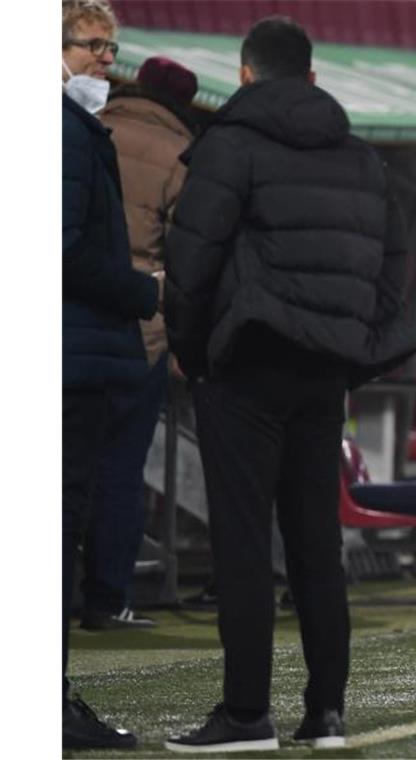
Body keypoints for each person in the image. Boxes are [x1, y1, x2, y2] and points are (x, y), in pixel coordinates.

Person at [163, 16, 416, 752]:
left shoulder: (228, 146)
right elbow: (389, 273)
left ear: (245, 75)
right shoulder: (364, 160)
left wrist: (194, 351)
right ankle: (327, 713)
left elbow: (192, 263)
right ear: (311, 78)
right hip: (325, 374)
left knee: (244, 544)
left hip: (245, 366)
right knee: (316, 542)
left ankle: (245, 716)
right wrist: (354, 355)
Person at [62, 0, 160, 748]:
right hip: (74, 351)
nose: (106, 59)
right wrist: (144, 291)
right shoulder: (63, 131)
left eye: (112, 45)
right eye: (95, 44)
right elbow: (62, 252)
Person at [80, 56, 199, 632]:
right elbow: (184, 258)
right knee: (121, 471)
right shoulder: (180, 155)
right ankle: (108, 597)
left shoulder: (88, 123)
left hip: (73, 318)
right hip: (141, 329)